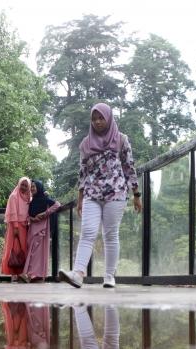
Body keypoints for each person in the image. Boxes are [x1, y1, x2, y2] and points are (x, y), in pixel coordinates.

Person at [58, 103, 142, 289]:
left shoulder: (121, 140)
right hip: (92, 194)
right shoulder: (85, 144)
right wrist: (80, 199)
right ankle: (78, 274)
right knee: (87, 232)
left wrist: (136, 193)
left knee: (110, 235)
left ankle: (110, 276)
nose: (97, 122)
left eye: (101, 118)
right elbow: (82, 173)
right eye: (94, 118)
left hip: (116, 193)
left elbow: (129, 167)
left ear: (109, 118)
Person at [22, 180, 61, 282]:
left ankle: (33, 275)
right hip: (32, 228)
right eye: (31, 187)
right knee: (31, 251)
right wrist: (32, 218)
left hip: (41, 228)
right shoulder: (32, 201)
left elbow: (57, 205)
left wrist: (45, 213)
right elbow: (29, 215)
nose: (32, 189)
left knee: (37, 253)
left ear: (39, 187)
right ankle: (33, 275)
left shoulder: (45, 199)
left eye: (34, 187)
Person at [0, 177, 32, 282]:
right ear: (18, 184)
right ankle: (13, 274)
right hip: (15, 227)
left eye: (25, 185)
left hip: (25, 226)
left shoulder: (28, 197)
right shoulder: (14, 196)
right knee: (14, 249)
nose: (23, 187)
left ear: (29, 187)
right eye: (22, 184)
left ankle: (21, 273)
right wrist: (16, 227)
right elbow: (13, 212)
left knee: (23, 250)